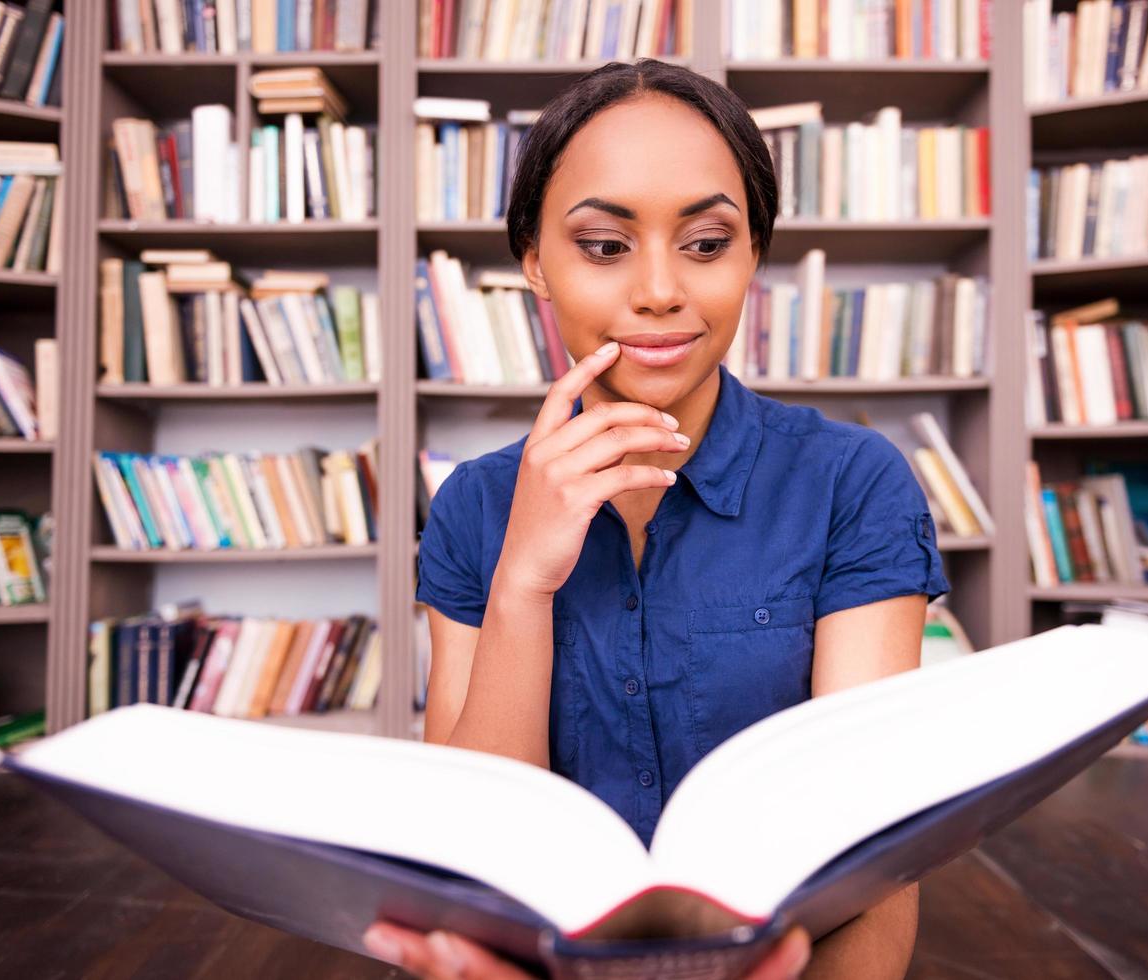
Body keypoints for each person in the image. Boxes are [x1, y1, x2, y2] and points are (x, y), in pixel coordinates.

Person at [364, 58, 950, 979]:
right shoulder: (476, 504)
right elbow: (471, 841)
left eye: (707, 242)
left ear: (754, 253)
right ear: (534, 266)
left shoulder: (852, 482)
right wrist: (523, 579)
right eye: (603, 246)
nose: (660, 291)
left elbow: (873, 858)